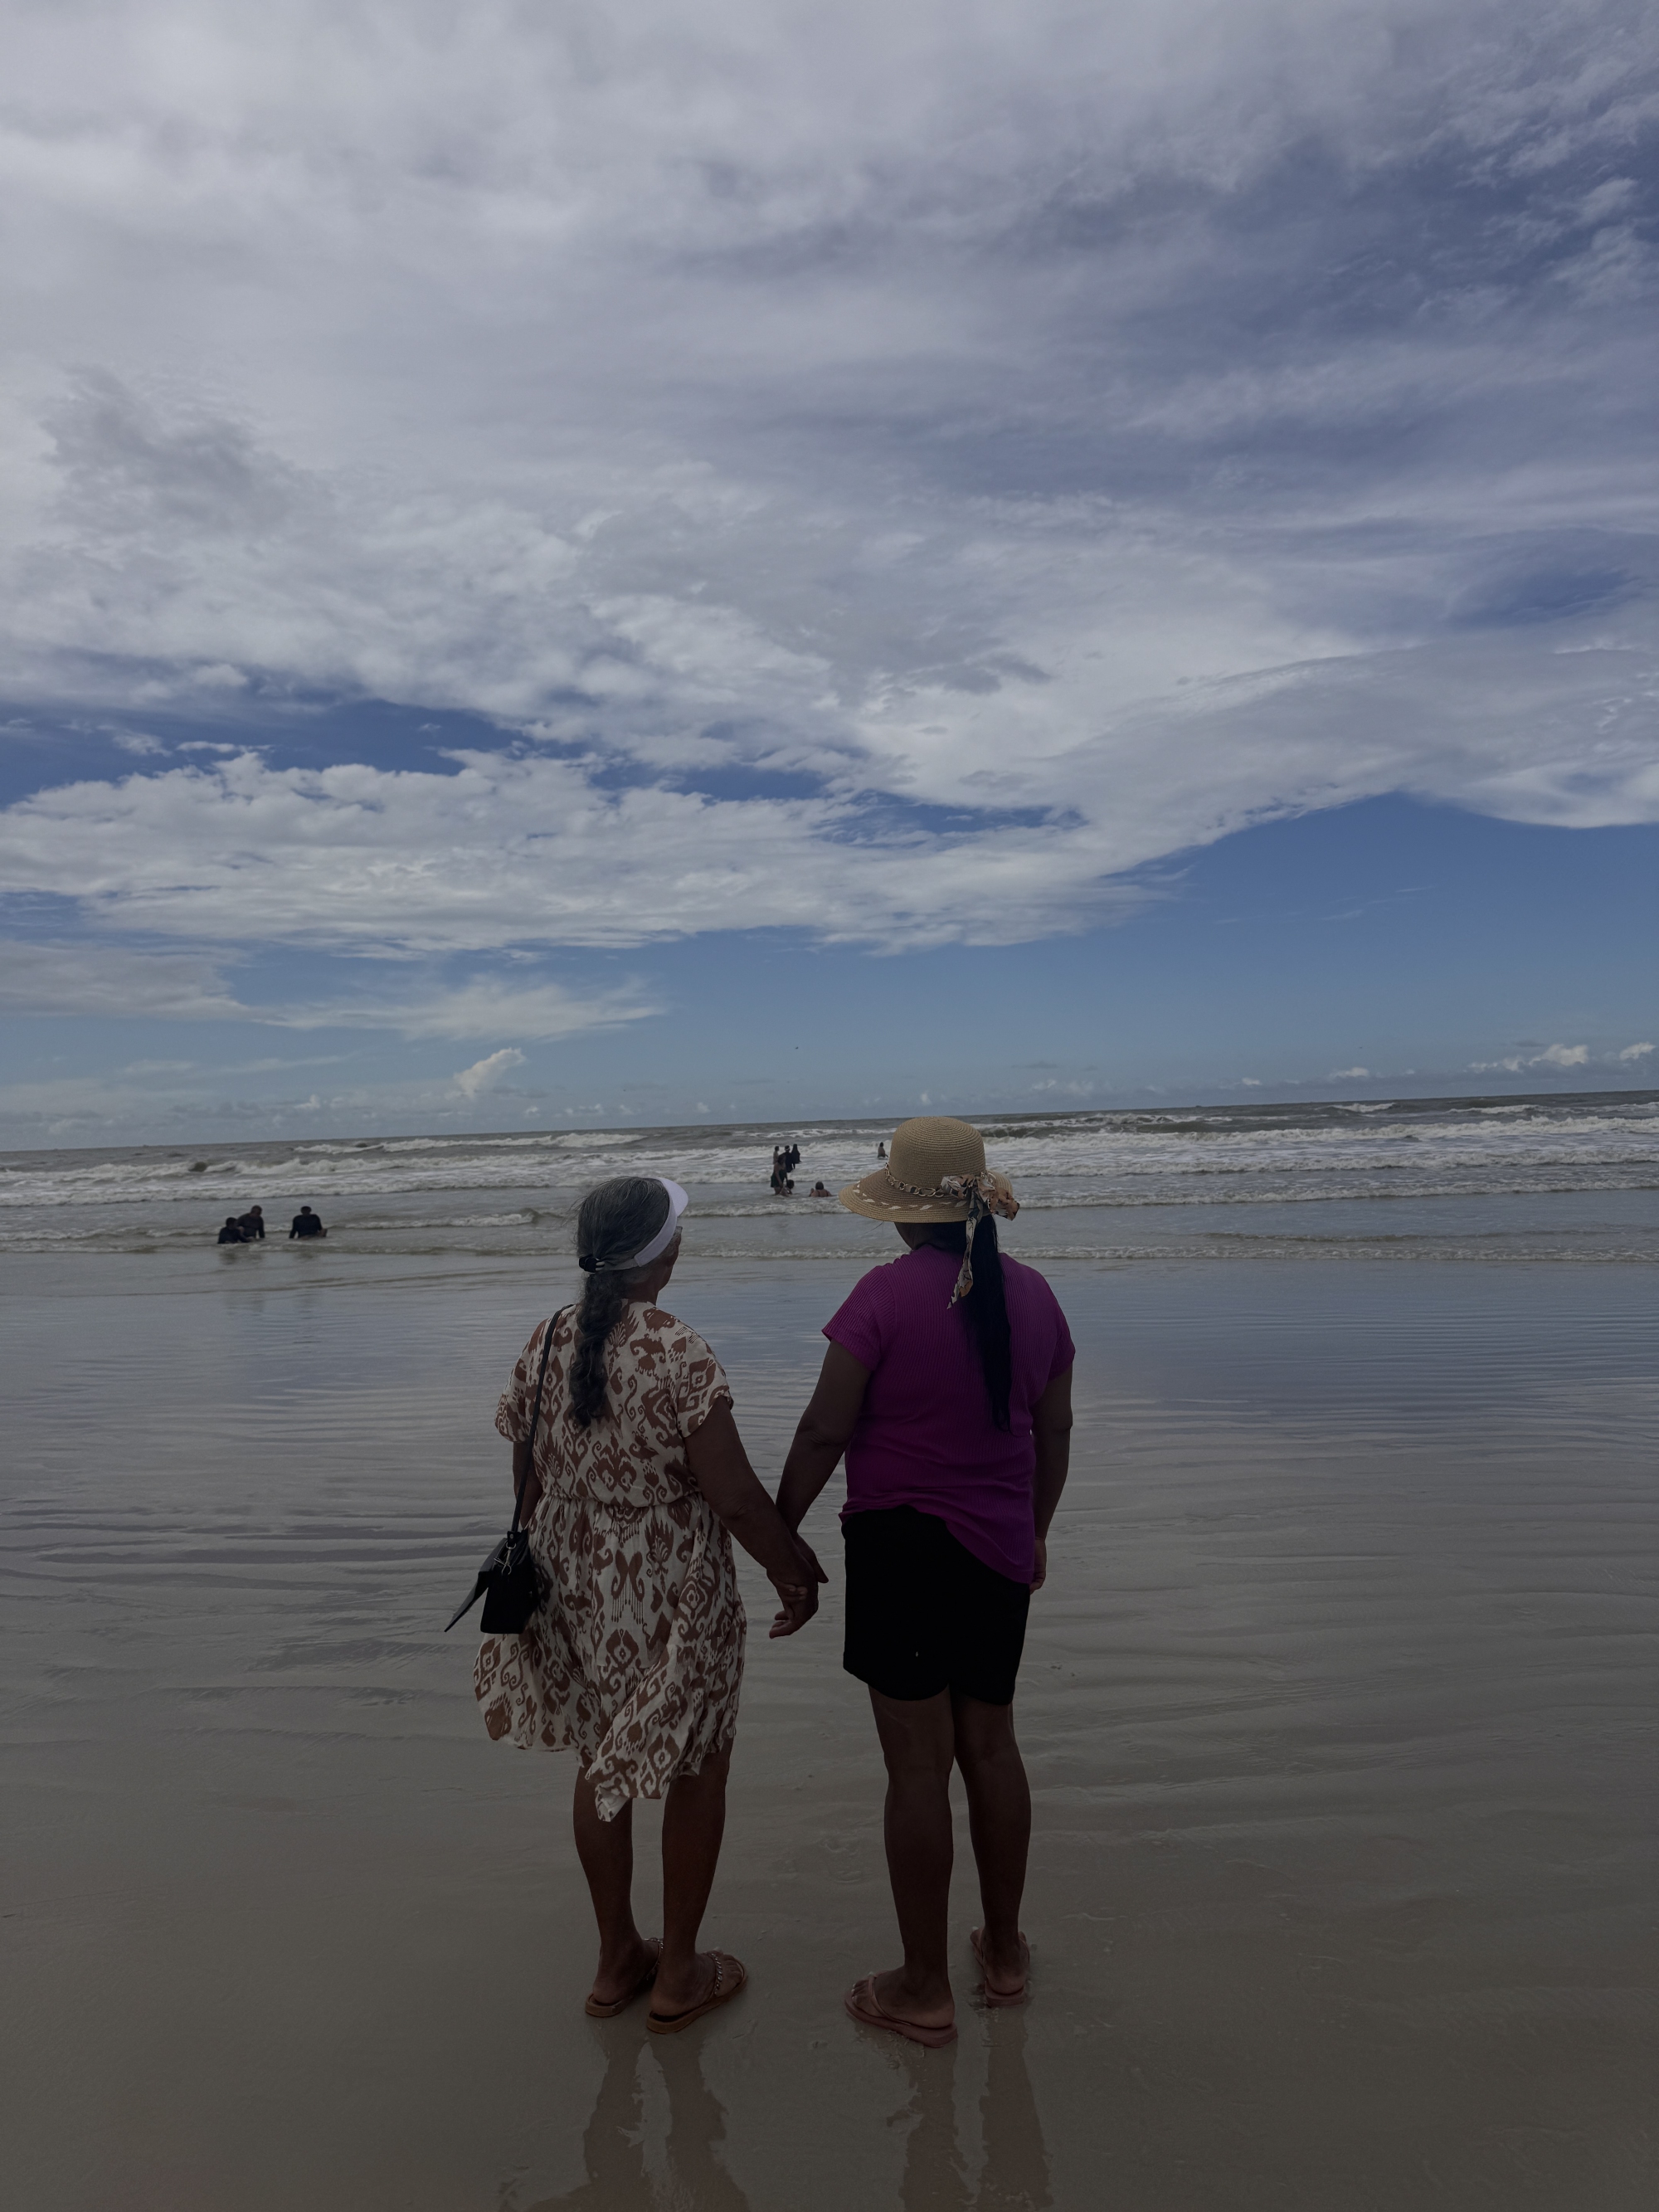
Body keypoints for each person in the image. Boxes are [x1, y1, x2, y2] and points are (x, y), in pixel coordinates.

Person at [474, 1175, 823, 2032]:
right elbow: (732, 1495)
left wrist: (545, 1545)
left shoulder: (548, 1335)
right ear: (662, 1253)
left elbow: (525, 1474)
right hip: (671, 1579)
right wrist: (792, 1569)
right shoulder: (677, 1349)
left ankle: (614, 1957)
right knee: (696, 1763)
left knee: (600, 1756)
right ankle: (678, 1973)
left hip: (573, 1570)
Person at [776, 1116, 1074, 2049]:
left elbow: (824, 1430)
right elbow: (1053, 1429)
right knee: (992, 1745)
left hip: (900, 1552)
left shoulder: (881, 1296)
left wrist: (779, 1533)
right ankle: (1006, 1950)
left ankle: (922, 1986)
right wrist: (1033, 1530)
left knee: (916, 1768)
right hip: (995, 1551)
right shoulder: (1034, 1294)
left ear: (905, 1212)